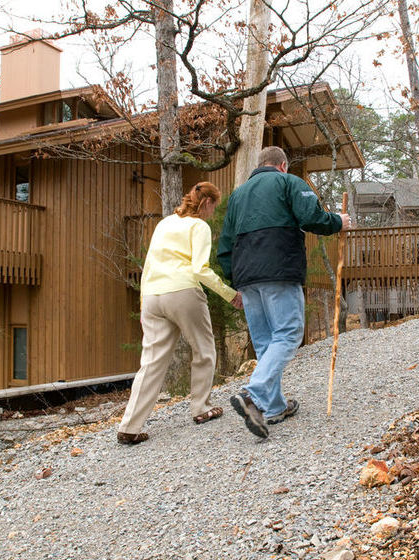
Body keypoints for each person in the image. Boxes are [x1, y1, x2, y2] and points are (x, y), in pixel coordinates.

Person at [217, 146, 352, 438]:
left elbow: (225, 245)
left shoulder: (237, 196)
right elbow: (311, 217)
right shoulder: (288, 182)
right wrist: (338, 222)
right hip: (278, 269)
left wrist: (234, 280)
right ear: (282, 165)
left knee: (267, 343)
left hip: (245, 276)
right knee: (289, 333)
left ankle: (274, 406)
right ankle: (252, 393)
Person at [117, 181, 243, 445]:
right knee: (204, 349)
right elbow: (199, 269)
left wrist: (144, 305)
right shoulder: (199, 226)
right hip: (183, 292)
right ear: (207, 203)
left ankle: (129, 426)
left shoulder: (164, 223)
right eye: (213, 207)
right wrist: (230, 294)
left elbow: (149, 265)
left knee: (151, 362)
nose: (212, 213)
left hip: (152, 295)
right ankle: (201, 408)